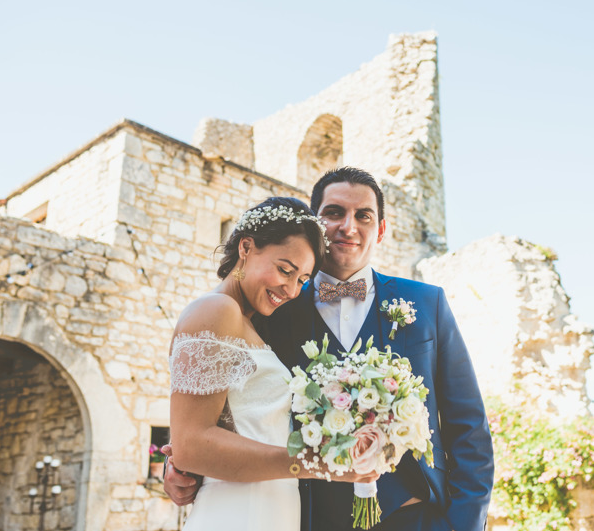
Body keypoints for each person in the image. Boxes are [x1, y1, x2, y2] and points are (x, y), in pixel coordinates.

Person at [166, 169, 494, 531]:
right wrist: (181, 465)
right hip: (306, 518)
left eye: (363, 216)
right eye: (335, 212)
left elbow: (469, 428)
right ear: (316, 225)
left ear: (380, 230)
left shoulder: (426, 302)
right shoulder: (272, 306)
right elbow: (211, 412)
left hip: (415, 518)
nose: (349, 227)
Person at [167, 196, 379, 531]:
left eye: (302, 280)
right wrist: (318, 464)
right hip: (237, 512)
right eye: (285, 270)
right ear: (246, 248)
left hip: (272, 511)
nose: (292, 290)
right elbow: (190, 445)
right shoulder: (216, 310)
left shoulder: (250, 324)